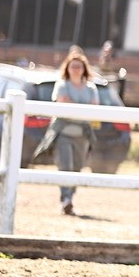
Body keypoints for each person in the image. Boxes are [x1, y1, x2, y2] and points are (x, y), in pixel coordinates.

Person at [48, 50, 99, 215]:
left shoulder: (91, 88)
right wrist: (81, 109)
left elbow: (94, 108)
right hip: (64, 132)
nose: (76, 69)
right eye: (73, 66)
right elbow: (63, 104)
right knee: (65, 166)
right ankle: (66, 199)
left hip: (82, 135)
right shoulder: (62, 85)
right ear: (67, 68)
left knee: (77, 168)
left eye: (79, 66)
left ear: (84, 68)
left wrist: (76, 106)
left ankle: (70, 198)